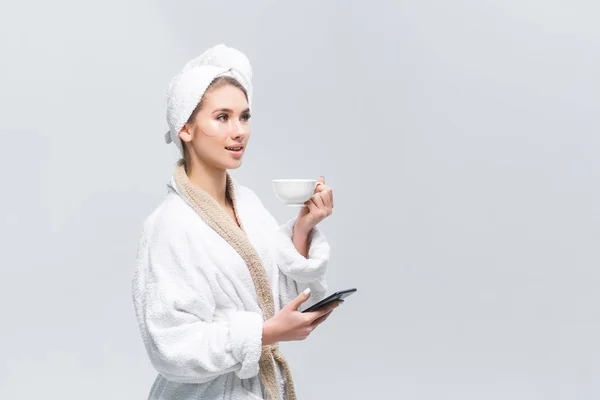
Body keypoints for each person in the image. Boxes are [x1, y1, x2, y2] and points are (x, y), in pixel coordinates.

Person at [131, 43, 340, 400]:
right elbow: (170, 346)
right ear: (185, 128)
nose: (239, 130)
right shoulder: (168, 225)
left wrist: (304, 228)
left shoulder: (249, 205)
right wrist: (262, 335)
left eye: (244, 116)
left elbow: (272, 301)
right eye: (222, 117)